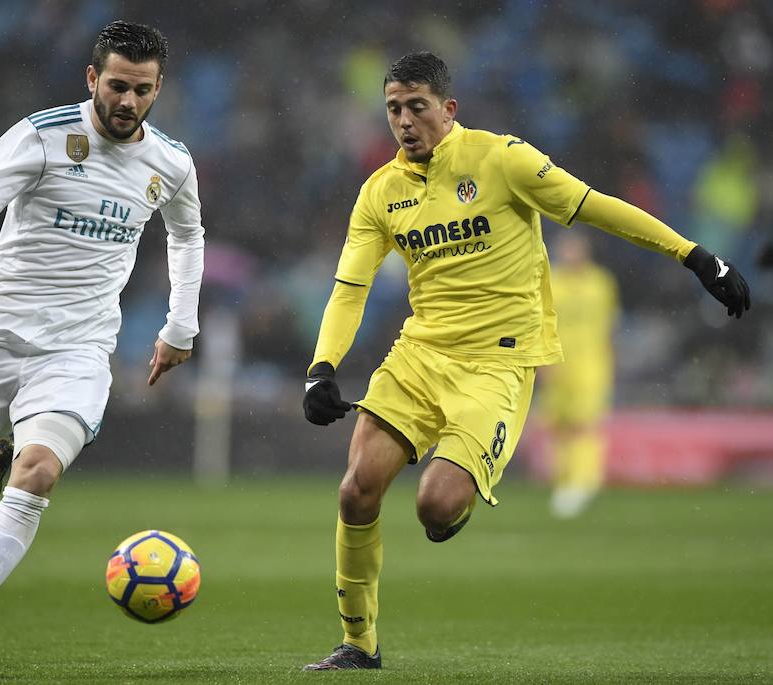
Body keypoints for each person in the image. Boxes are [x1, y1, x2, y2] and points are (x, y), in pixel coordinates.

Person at [301, 52, 750, 671]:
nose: (404, 121)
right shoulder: (380, 192)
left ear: (448, 109)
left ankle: (456, 491)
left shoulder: (503, 159)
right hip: (419, 355)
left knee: (434, 505)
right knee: (356, 492)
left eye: (417, 107)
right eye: (394, 109)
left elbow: (594, 205)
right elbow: (349, 288)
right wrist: (322, 366)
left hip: (497, 365)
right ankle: (359, 645)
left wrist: (696, 256)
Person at [0, 20, 204, 674]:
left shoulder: (170, 163)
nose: (128, 101)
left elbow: (187, 236)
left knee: (37, 472)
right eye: (118, 86)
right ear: (93, 79)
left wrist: (180, 327)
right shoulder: (42, 135)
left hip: (77, 350)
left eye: (143, 90)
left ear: (158, 90)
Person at [538, 232, 619, 518]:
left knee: (584, 424)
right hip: (557, 362)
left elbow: (608, 326)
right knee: (558, 425)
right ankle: (563, 480)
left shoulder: (601, 283)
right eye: (566, 249)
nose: (570, 254)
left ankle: (584, 482)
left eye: (575, 249)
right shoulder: (551, 281)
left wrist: (609, 361)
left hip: (590, 364)